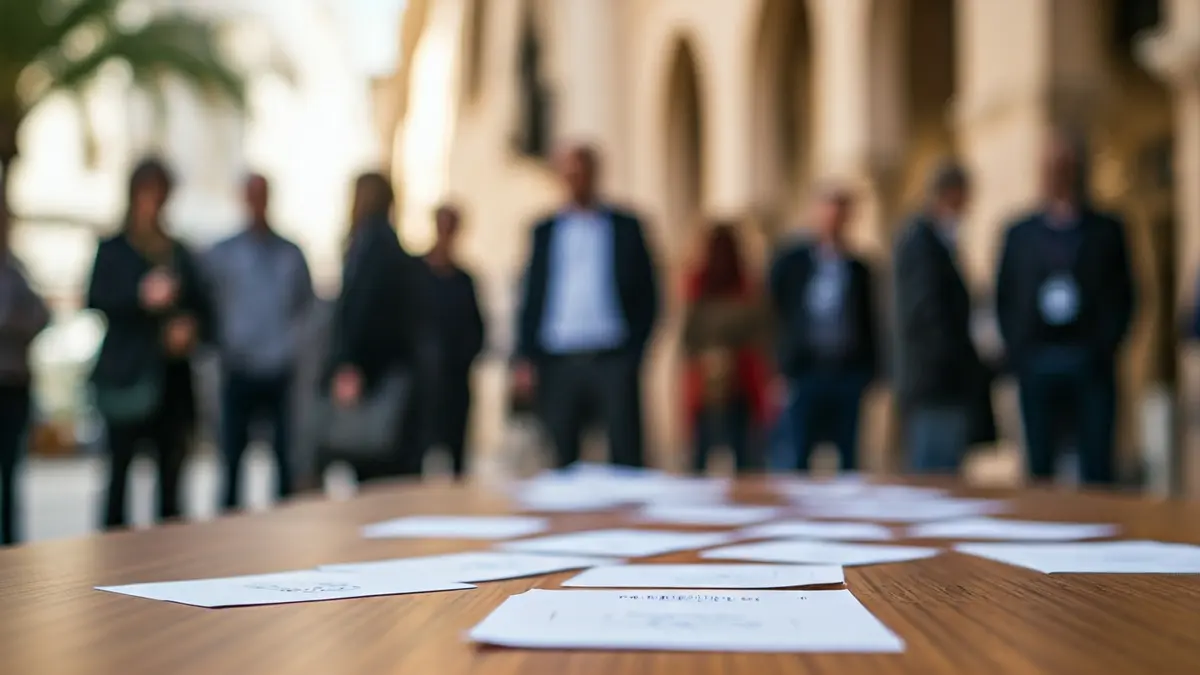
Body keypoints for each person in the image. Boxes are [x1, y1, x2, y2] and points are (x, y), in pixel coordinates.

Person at [995, 131, 1135, 485]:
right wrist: (1019, 350)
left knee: (1097, 465)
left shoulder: (1106, 230)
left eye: (1064, 164)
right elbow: (1004, 295)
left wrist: (1105, 345)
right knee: (1040, 465)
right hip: (1037, 360)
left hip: (1089, 360)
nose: (1057, 172)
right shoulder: (1019, 233)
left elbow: (1126, 294)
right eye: (1050, 165)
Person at [513, 144, 659, 468]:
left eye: (582, 173)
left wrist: (635, 350)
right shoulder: (544, 231)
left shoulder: (625, 227)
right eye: (570, 175)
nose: (576, 181)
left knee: (625, 451)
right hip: (559, 358)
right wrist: (524, 357)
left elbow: (649, 294)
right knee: (562, 456)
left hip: (612, 355)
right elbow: (531, 296)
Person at [87, 158, 213, 529]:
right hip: (127, 376)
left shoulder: (178, 252)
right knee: (119, 474)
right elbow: (96, 298)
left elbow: (204, 308)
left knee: (172, 479)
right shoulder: (114, 249)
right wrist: (140, 297)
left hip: (171, 381)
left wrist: (188, 329)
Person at [206, 174, 314, 509]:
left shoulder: (289, 253)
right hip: (238, 365)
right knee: (232, 459)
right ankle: (227, 527)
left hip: (278, 367)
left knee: (283, 458)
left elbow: (305, 307)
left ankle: (281, 528)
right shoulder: (221, 254)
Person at [322, 172, 430, 480]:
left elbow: (362, 311)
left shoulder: (373, 247)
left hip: (377, 373)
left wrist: (350, 363)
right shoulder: (384, 246)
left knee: (375, 467)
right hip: (390, 370)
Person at [769, 185, 880, 472]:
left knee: (848, 457)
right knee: (797, 454)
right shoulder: (791, 262)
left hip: (847, 371)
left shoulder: (858, 268)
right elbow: (773, 312)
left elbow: (870, 320)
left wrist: (871, 370)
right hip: (805, 370)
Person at [894, 162, 992, 473]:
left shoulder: (938, 240)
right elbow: (927, 311)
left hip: (944, 380)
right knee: (935, 472)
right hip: (935, 382)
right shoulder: (922, 242)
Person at [682, 223, 770, 474]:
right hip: (705, 388)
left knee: (744, 455)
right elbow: (690, 337)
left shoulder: (747, 287)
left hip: (740, 384)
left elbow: (759, 332)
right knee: (701, 455)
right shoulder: (697, 285)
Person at [421, 204, 485, 480]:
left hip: (455, 379)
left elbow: (477, 328)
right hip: (424, 381)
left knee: (457, 452)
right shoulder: (417, 274)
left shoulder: (464, 279)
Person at [0, 219, 50, 546]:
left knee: (9, 475)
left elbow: (41, 315)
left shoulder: (14, 269)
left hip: (12, 383)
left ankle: (8, 547)